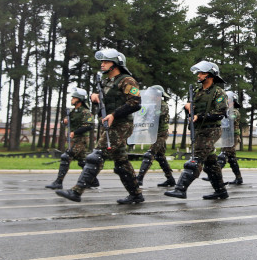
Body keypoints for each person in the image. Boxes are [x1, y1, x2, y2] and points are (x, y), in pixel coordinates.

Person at [55, 49, 144, 204]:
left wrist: (114, 115)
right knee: (121, 162)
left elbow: (135, 103)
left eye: (106, 62)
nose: (102, 65)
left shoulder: (127, 80)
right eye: (101, 62)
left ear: (115, 64)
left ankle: (77, 191)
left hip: (121, 125)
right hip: (109, 125)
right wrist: (96, 99)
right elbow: (105, 105)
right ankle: (136, 194)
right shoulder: (106, 82)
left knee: (96, 155)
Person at [165, 61, 230, 200]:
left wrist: (198, 116)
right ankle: (221, 191)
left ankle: (180, 189)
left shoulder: (218, 92)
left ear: (210, 75)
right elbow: (192, 111)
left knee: (196, 158)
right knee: (211, 164)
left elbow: (220, 113)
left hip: (211, 130)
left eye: (202, 73)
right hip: (200, 129)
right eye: (199, 73)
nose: (199, 75)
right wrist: (187, 108)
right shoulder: (196, 91)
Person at [45, 88, 97, 189]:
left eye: (74, 98)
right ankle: (93, 181)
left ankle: (58, 182)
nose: (72, 99)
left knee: (66, 157)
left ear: (80, 99)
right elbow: (65, 122)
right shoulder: (73, 111)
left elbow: (89, 125)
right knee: (82, 161)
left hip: (81, 139)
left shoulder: (85, 112)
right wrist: (64, 121)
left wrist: (75, 132)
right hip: (74, 140)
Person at [136, 85, 176, 187]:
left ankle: (139, 178)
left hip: (161, 134)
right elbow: (143, 115)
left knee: (149, 154)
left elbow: (156, 116)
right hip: (153, 133)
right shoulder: (151, 105)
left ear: (158, 95)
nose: (150, 96)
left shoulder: (162, 106)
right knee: (160, 157)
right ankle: (170, 179)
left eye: (152, 95)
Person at [220, 92, 244, 185]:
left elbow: (230, 118)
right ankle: (239, 178)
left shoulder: (234, 112)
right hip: (226, 137)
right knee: (231, 159)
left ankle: (214, 175)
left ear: (233, 102)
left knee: (223, 155)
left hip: (233, 137)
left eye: (229, 100)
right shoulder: (225, 111)